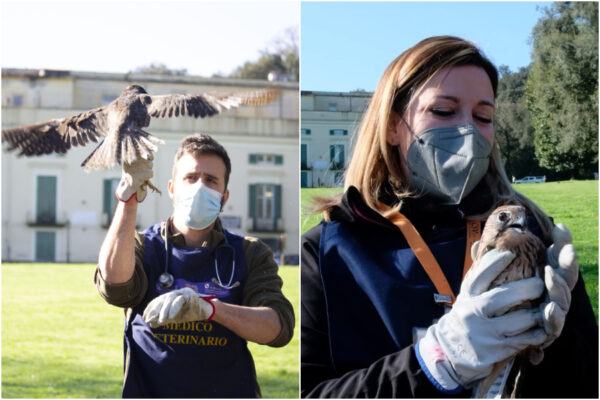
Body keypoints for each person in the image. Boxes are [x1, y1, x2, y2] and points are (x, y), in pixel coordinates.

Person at [301, 36, 598, 398]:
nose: (468, 131)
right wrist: (435, 361)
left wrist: (560, 341)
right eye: (443, 111)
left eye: (483, 116)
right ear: (393, 125)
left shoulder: (534, 231)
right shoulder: (324, 252)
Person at [95, 133, 295, 398]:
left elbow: (278, 328)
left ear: (224, 197)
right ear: (171, 188)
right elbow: (114, 288)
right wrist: (128, 198)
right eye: (190, 178)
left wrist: (211, 308)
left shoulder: (248, 252)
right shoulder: (145, 247)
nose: (200, 186)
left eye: (211, 180)